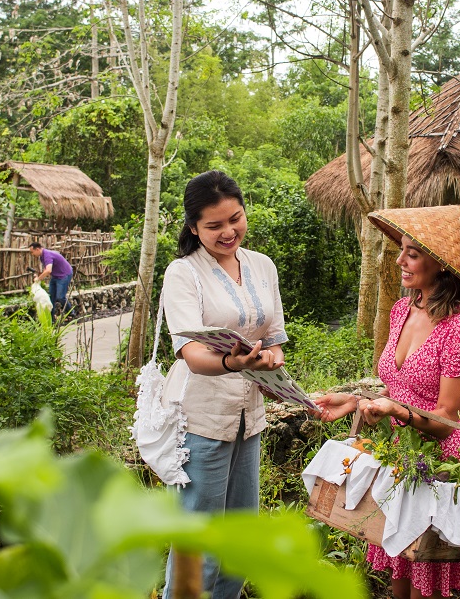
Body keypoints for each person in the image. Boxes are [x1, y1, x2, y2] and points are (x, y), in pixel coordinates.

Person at [314, 205, 460, 599]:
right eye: (403, 250)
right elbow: (398, 390)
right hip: (398, 458)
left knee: (423, 586)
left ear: (441, 264)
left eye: (412, 253)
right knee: (399, 576)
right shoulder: (401, 310)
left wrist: (397, 411)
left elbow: (447, 418)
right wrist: (354, 400)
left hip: (435, 466)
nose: (400, 260)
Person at [160, 170, 288, 599]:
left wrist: (269, 362)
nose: (228, 231)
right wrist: (234, 362)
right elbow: (191, 354)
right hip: (201, 419)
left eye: (235, 218)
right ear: (194, 227)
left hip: (248, 417)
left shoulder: (262, 266)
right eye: (214, 226)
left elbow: (275, 341)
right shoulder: (182, 273)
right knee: (198, 540)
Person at [29, 242, 74, 321]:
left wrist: (38, 279)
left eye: (32, 252)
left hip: (64, 275)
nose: (32, 254)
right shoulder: (42, 256)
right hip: (56, 275)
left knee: (60, 297)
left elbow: (48, 270)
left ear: (37, 249)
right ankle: (51, 318)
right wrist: (40, 275)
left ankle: (71, 313)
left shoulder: (47, 255)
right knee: (51, 297)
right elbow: (46, 269)